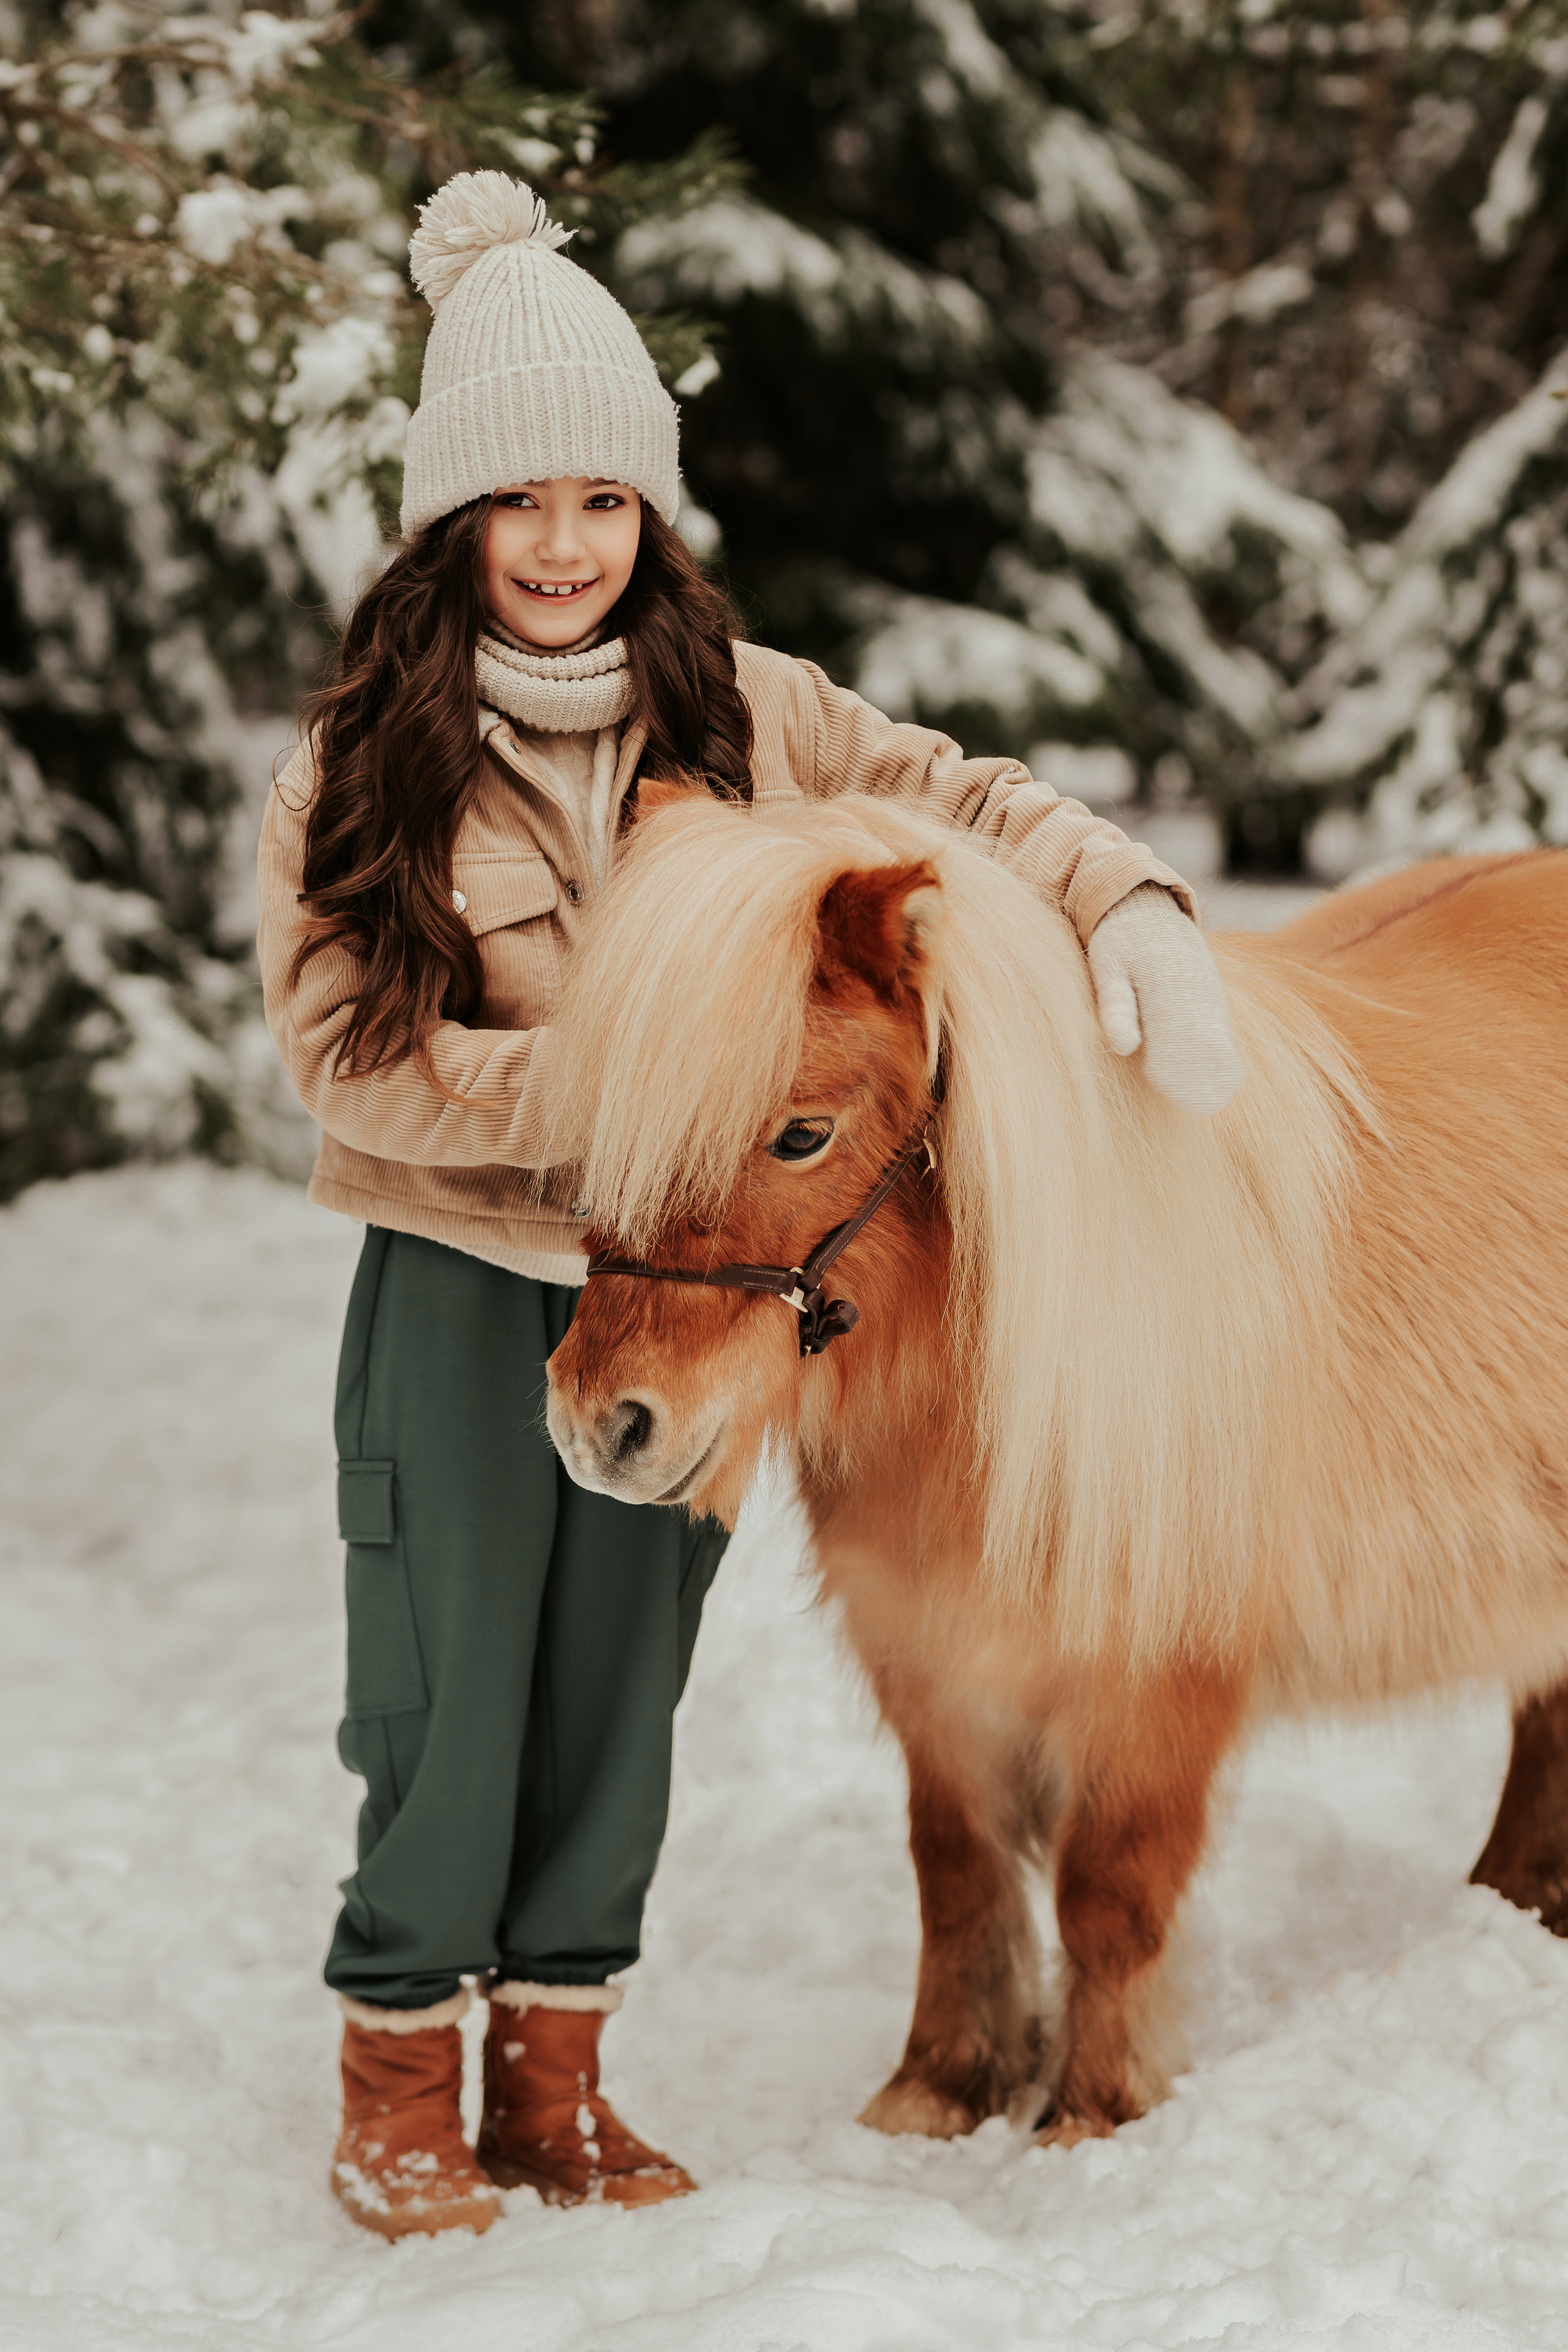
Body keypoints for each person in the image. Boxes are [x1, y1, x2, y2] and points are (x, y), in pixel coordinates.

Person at [256, 168, 1242, 2244]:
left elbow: (965, 797)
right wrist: (634, 1084)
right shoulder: (360, 765)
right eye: (516, 503)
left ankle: (558, 2074)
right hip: (464, 1280)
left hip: (697, 1298)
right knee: (442, 1689)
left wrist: (1123, 896)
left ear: (649, 514)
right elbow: (346, 1054)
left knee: (622, 1684)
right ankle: (400, 2074)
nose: (559, 546)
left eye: (600, 501)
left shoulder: (754, 713)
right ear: (453, 522)